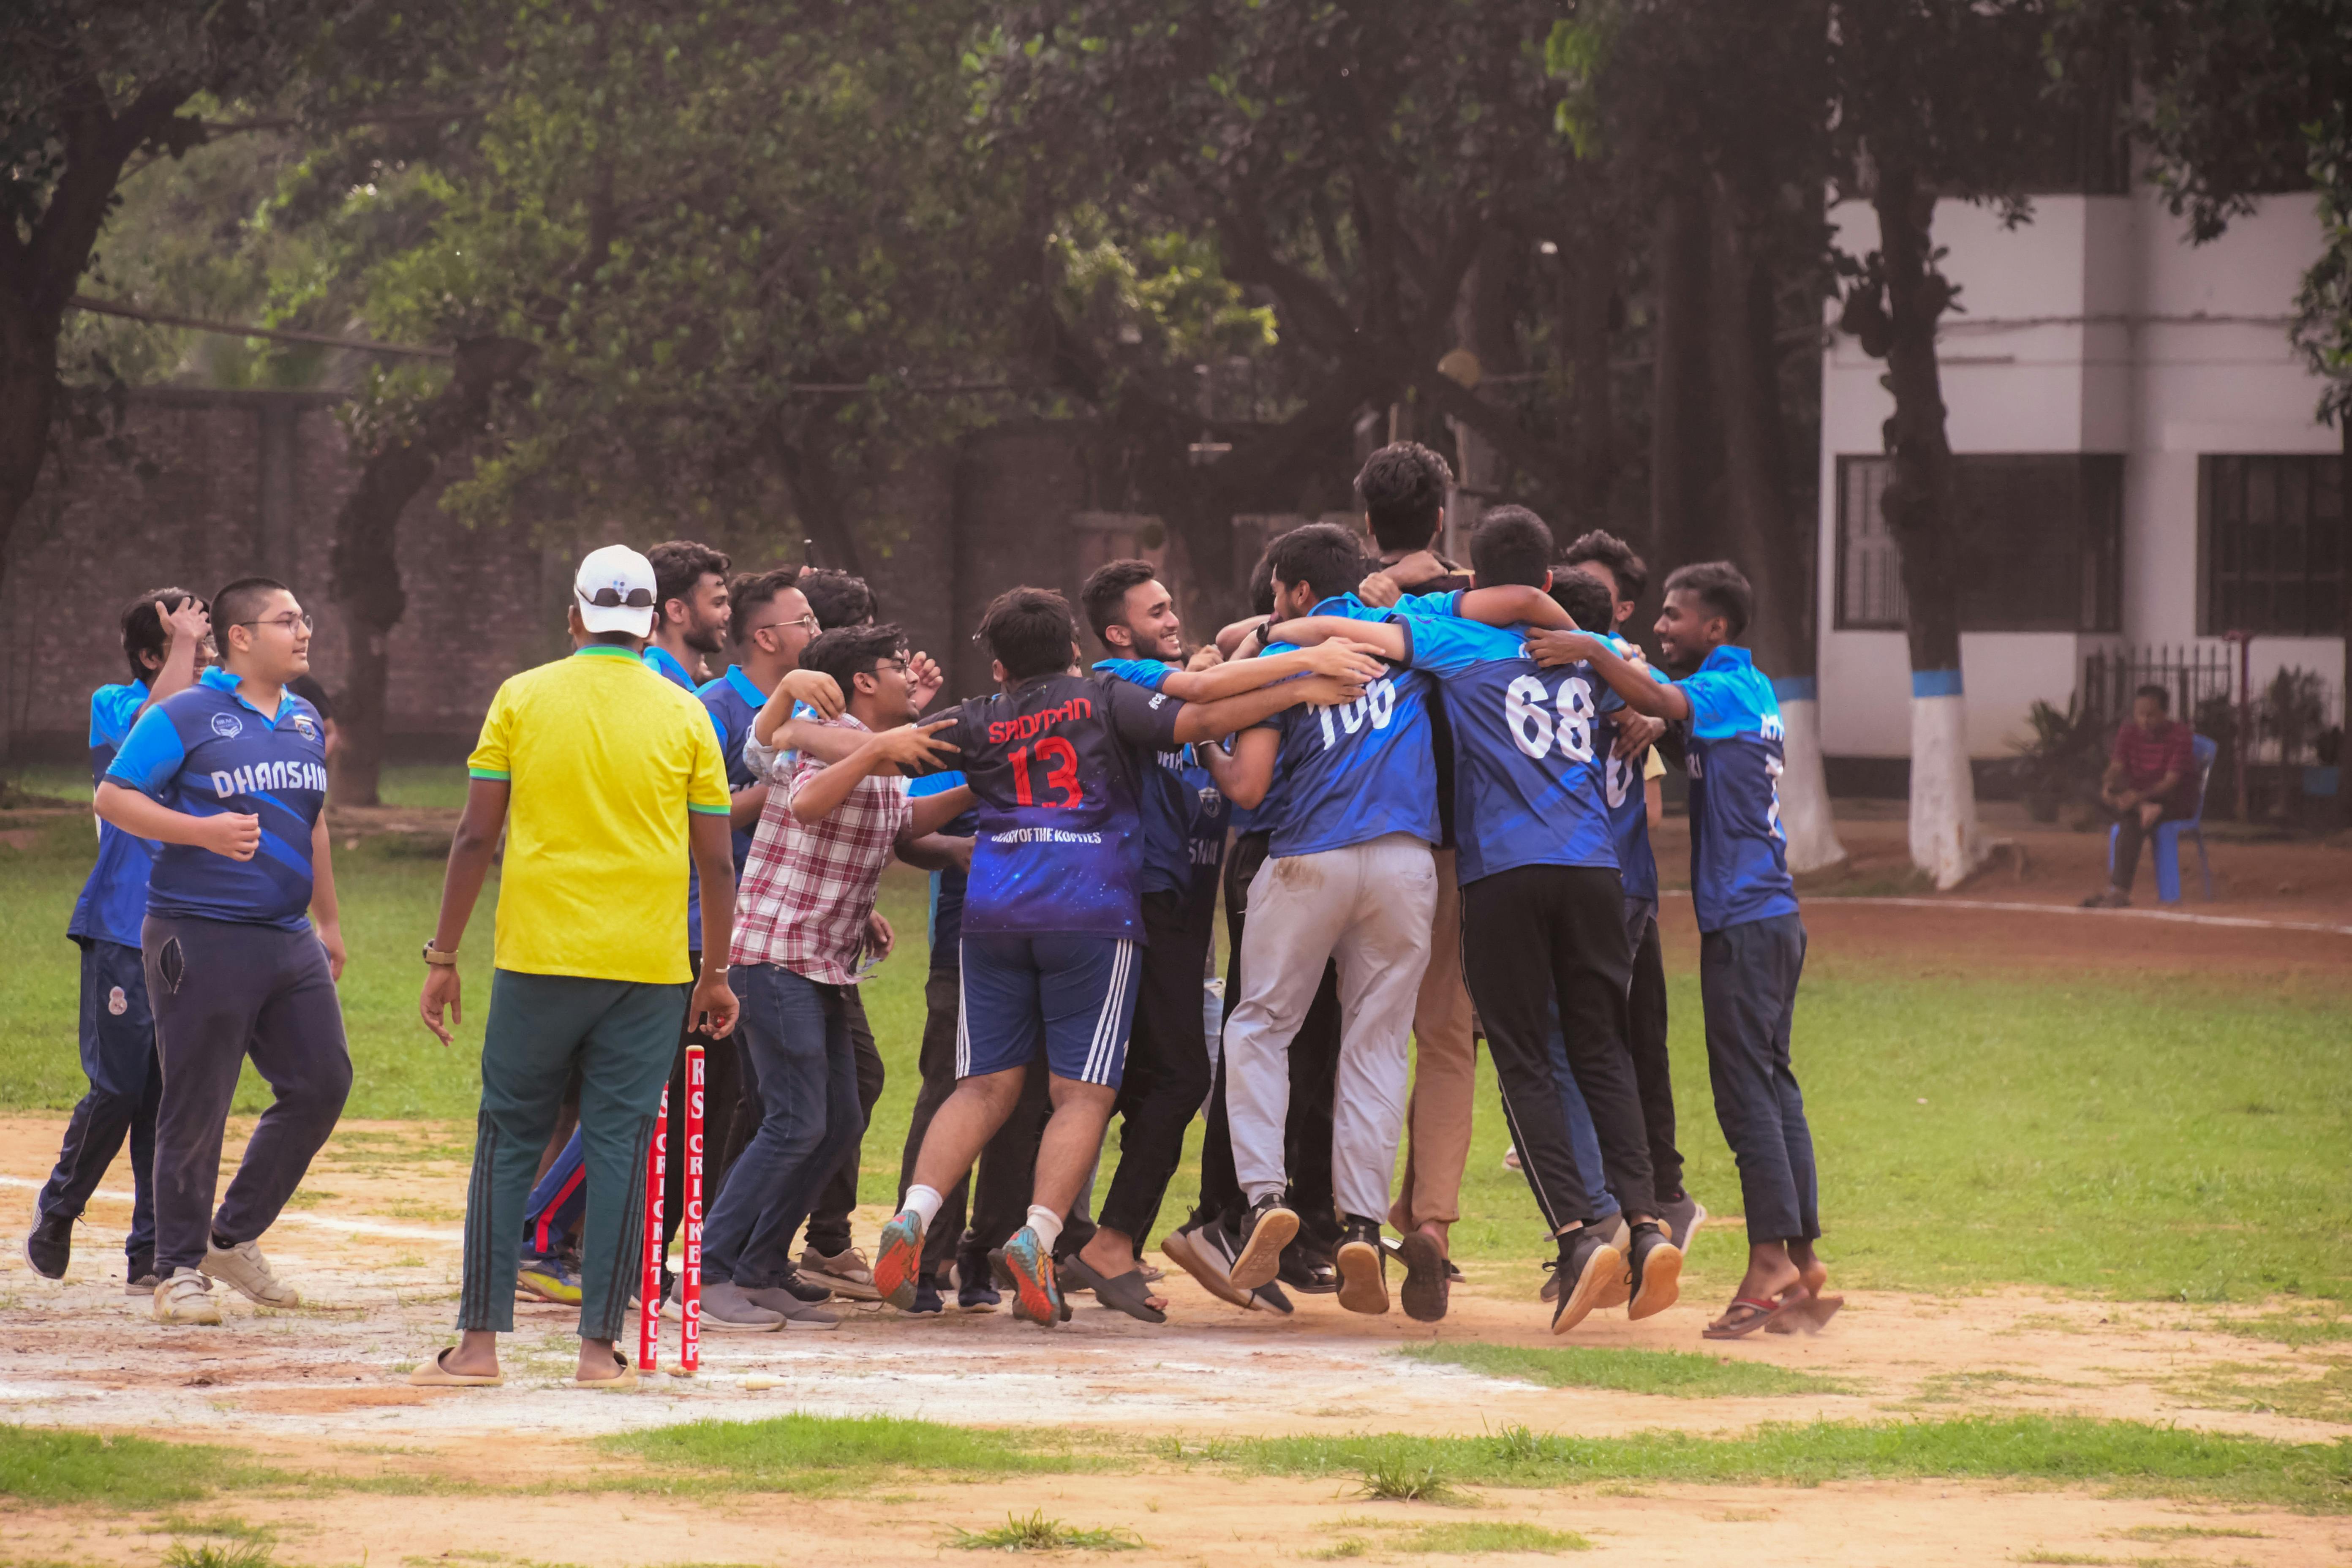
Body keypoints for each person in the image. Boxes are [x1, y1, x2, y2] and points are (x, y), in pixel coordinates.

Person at [871, 587, 1364, 1326]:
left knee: (980, 1088)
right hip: (1089, 914)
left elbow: (886, 760)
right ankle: (1038, 1237)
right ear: (1075, 645)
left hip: (995, 916)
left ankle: (911, 1215)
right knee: (1081, 1096)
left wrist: (802, 733)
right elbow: (1198, 713)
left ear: (1001, 666)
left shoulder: (974, 718)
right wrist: (1296, 681)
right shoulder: (1102, 696)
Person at [1269, 510, 1682, 1333]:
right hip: (1596, 870)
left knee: (1521, 1056)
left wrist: (1279, 626)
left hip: (1497, 868)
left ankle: (1578, 1230)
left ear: (1473, 577)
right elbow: (1664, 699)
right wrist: (1596, 646)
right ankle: (1644, 1224)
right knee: (1597, 1050)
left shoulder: (1450, 636)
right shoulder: (1586, 647)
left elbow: (1349, 630)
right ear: (1552, 579)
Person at [411, 544, 739, 1389]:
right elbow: (716, 861)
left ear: (574, 616)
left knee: (507, 1136)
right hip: (650, 965)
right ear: (647, 623)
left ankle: (478, 1347)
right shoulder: (685, 713)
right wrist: (716, 972)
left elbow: (477, 836)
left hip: (538, 959)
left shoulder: (522, 697)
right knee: (624, 1145)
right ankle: (600, 1350)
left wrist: (443, 954)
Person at [1529, 561, 1836, 1339]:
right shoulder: (1750, 689)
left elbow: (1665, 699)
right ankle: (1801, 1259)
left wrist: (1588, 650)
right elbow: (1674, 715)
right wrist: (1658, 718)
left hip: (1744, 917)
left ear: (1716, 629)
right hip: (1772, 916)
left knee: (1745, 1097)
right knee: (1775, 1085)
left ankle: (1767, 1264)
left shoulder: (1720, 690)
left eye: (1673, 616)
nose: (1661, 627)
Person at [1074, 559, 1384, 1318]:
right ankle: (1087, 1240)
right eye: (1157, 610)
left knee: (1153, 1077)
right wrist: (1303, 670)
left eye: (1172, 604)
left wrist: (1273, 647)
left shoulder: (1190, 674)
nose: (1173, 619)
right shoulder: (1122, 675)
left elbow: (1222, 670)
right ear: (1119, 632)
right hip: (1134, 907)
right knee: (1162, 1076)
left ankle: (1078, 1239)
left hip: (1181, 910)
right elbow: (1205, 702)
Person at [700, 625, 971, 1330]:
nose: (909, 676)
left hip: (819, 963)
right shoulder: (828, 732)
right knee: (795, 1121)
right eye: (894, 667)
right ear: (862, 682)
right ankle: (709, 1272)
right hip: (774, 954)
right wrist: (880, 750)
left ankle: (760, 1269)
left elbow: (901, 820)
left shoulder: (876, 752)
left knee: (837, 1119)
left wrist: (975, 791)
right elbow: (809, 803)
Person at [94, 577, 348, 1326]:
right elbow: (113, 797)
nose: (304, 631)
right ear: (240, 638)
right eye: (287, 620)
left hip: (286, 935)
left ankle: (229, 1236)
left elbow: (315, 821)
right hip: (198, 931)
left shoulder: (303, 719)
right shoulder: (185, 713)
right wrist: (202, 831)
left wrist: (328, 920)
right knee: (197, 1099)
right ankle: (176, 1269)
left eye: (304, 618)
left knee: (322, 1082)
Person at [1211, 521, 1448, 1317]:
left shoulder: (1288, 654)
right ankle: (1357, 1220)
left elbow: (1245, 788)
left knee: (1260, 1026)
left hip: (1310, 853)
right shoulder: (1407, 641)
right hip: (1406, 861)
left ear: (1295, 592)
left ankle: (1262, 1198)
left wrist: (1257, 646)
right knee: (1377, 1042)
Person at [25, 590, 210, 1291]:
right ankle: (60, 1206)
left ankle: (152, 1253)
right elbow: (150, 727)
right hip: (121, 921)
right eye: (184, 640)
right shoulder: (115, 701)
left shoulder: (211, 713)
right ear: (150, 655)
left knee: (168, 1093)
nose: (201, 653)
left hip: (189, 926)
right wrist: (188, 647)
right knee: (119, 1084)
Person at [1344, 444, 1482, 1307]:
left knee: (1356, 1033)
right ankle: (1429, 1217)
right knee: (1445, 1034)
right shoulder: (1479, 597)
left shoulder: (1345, 600)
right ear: (1440, 515)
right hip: (1459, 841)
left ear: (1367, 523)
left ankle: (1346, 1217)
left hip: (1353, 831)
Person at [1557, 531, 1701, 1251]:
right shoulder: (1607, 675)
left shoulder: (1627, 673)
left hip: (1609, 884)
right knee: (1620, 1040)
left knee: (1607, 1045)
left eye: (1592, 585)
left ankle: (1628, 1211)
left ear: (1620, 605)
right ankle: (1640, 1204)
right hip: (1606, 886)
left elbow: (1649, 807)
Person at [2083, 684, 2199, 909]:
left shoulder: (2180, 735)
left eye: (2151, 715)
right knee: (2091, 790)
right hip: (2138, 799)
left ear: (2165, 713)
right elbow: (2116, 766)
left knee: (2130, 821)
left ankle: (2119, 890)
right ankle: (2142, 810)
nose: (2144, 721)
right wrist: (2109, 785)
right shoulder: (2128, 731)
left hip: (2173, 800)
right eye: (2140, 715)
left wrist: (2139, 797)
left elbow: (2171, 782)